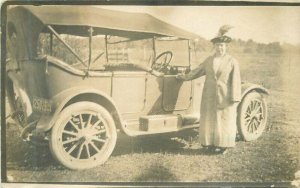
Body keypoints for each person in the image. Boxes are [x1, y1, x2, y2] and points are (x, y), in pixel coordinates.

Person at [176, 25, 241, 154]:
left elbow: (236, 81)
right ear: (214, 47)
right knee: (209, 120)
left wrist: (234, 98)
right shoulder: (209, 60)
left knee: (224, 122)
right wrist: (182, 77)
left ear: (226, 47)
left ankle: (223, 146)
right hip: (209, 96)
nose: (220, 48)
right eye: (217, 46)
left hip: (225, 97)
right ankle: (210, 144)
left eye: (222, 46)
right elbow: (196, 72)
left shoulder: (232, 61)